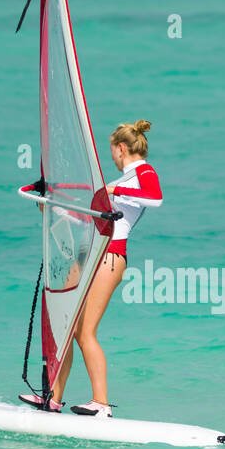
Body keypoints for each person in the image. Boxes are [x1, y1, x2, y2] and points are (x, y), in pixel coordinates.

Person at [21, 119, 162, 417]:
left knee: (86, 331)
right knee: (66, 326)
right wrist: (53, 207)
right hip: (89, 253)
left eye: (112, 151)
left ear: (121, 149)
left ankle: (101, 404)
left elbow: (156, 198)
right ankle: (54, 398)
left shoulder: (142, 172)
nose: (111, 157)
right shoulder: (123, 181)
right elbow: (90, 221)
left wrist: (116, 192)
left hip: (110, 256)